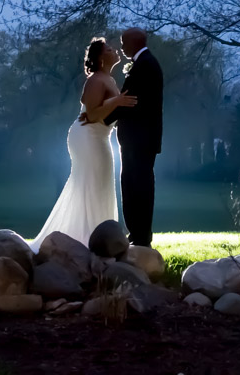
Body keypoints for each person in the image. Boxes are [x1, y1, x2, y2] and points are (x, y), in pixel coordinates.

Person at [28, 38, 136, 250]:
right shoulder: (95, 80)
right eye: (109, 48)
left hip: (100, 136)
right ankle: (89, 240)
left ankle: (99, 238)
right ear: (99, 57)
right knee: (91, 183)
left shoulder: (109, 79)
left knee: (100, 183)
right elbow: (93, 114)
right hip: (88, 137)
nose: (115, 50)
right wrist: (116, 101)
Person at [102, 27, 163, 247]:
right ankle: (138, 233)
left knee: (136, 185)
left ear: (134, 43)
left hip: (138, 139)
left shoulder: (144, 66)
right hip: (140, 138)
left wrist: (101, 120)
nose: (121, 47)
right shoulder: (145, 63)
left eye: (123, 42)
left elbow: (128, 101)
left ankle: (140, 235)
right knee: (135, 184)